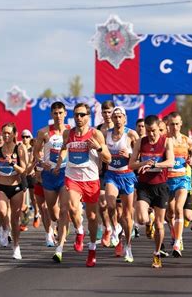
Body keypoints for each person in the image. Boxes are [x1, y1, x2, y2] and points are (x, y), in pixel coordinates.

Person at [53, 103, 111, 266]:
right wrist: (59, 163)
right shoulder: (67, 133)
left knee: (92, 217)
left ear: (88, 116)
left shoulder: (96, 134)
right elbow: (65, 148)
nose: (79, 118)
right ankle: (79, 230)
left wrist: (98, 148)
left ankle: (92, 249)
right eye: (76, 115)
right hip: (72, 177)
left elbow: (108, 158)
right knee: (71, 207)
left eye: (82, 115)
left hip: (91, 179)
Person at [129, 115, 174, 268]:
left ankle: (156, 254)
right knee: (141, 219)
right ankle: (149, 221)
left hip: (161, 186)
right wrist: (143, 163)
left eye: (153, 131)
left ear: (158, 128)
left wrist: (154, 165)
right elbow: (131, 164)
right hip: (144, 185)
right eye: (148, 131)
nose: (151, 134)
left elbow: (171, 162)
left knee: (160, 225)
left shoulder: (166, 141)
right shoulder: (141, 142)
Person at [104, 106, 139, 262]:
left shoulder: (131, 134)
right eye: (115, 116)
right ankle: (115, 227)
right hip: (111, 174)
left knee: (127, 214)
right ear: (112, 119)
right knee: (110, 205)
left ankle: (128, 247)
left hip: (127, 175)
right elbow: (101, 153)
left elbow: (141, 154)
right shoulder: (106, 134)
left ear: (125, 119)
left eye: (120, 116)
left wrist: (130, 154)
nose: (117, 119)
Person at [33, 101, 70, 247]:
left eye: (61, 113)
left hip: (66, 173)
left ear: (65, 114)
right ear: (51, 114)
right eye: (55, 113)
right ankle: (60, 224)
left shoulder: (70, 130)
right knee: (54, 214)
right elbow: (36, 152)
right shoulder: (44, 132)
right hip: (49, 174)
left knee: (65, 208)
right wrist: (41, 163)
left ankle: (61, 238)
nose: (58, 116)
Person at [0, 123, 27, 259]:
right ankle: (5, 230)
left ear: (14, 134)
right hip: (1, 185)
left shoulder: (19, 149)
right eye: (4, 133)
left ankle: (16, 246)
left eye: (9, 133)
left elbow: (23, 170)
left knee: (15, 219)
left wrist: (12, 163)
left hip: (16, 186)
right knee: (1, 211)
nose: (6, 135)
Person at [166, 111, 192, 258]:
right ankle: (175, 232)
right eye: (172, 124)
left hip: (182, 179)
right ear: (167, 125)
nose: (175, 127)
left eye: (177, 124)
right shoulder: (165, 140)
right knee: (169, 213)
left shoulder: (186, 140)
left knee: (178, 208)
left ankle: (177, 241)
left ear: (181, 124)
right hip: (167, 179)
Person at [96, 100, 115, 247]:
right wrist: (97, 166)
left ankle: (116, 230)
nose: (107, 115)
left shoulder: (120, 128)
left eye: (110, 112)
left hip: (118, 170)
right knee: (102, 203)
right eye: (105, 112)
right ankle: (107, 227)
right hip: (102, 170)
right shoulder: (98, 130)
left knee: (115, 207)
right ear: (101, 113)